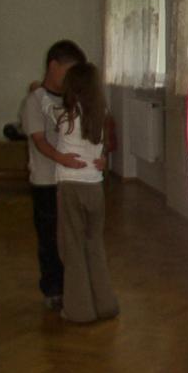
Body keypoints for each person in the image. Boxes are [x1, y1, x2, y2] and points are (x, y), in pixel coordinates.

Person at [44, 62, 119, 323]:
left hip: (71, 187)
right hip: (95, 187)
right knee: (94, 245)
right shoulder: (101, 113)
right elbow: (102, 148)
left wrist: (36, 90)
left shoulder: (66, 115)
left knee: (72, 248)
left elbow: (46, 107)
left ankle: (79, 310)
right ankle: (105, 304)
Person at [20, 39, 87, 310]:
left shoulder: (74, 100)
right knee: (49, 238)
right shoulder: (34, 101)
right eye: (68, 71)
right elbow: (39, 140)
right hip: (46, 182)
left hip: (73, 182)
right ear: (53, 65)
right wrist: (62, 159)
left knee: (72, 237)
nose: (71, 78)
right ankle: (53, 289)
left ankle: (73, 287)